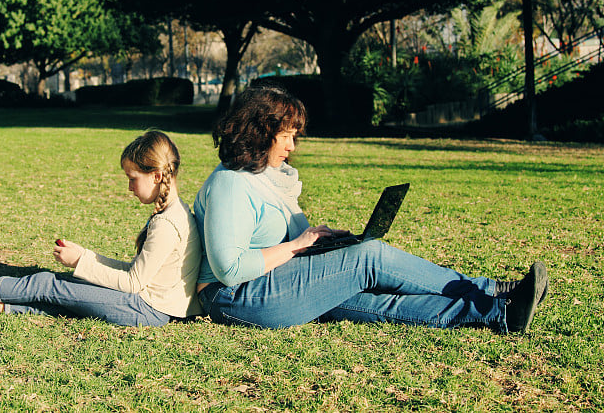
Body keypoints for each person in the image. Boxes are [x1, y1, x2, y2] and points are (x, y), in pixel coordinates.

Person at [194, 83, 548, 333]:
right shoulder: (231, 182)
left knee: (371, 300)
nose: (292, 144)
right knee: (370, 257)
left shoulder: (267, 177)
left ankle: (497, 314)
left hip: (270, 285)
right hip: (236, 297)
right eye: (286, 134)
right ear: (260, 130)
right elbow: (230, 268)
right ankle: (491, 289)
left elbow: (282, 240)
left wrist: (320, 240)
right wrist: (296, 246)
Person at [0, 131, 203, 327]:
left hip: (148, 311)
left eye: (132, 178)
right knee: (55, 298)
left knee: (48, 286)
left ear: (156, 175)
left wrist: (81, 262)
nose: (128, 187)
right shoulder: (175, 212)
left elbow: (132, 283)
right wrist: (86, 256)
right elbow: (136, 272)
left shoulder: (167, 223)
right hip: (152, 307)